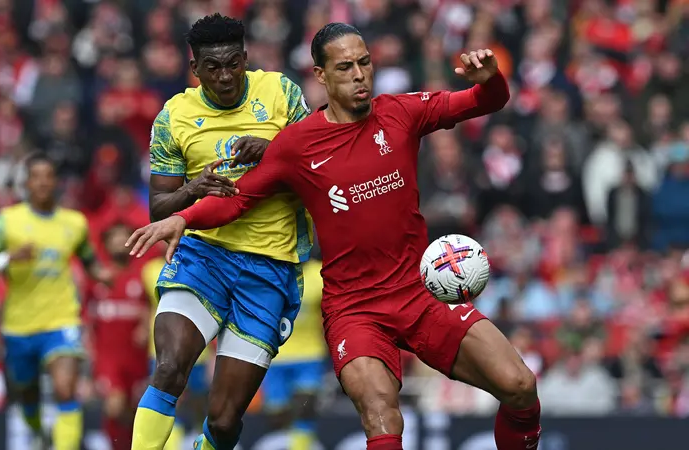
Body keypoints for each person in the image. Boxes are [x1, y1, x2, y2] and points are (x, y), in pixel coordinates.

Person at [126, 23, 541, 450]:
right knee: (381, 415)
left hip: (420, 293)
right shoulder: (296, 144)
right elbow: (238, 199)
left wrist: (489, 77)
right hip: (355, 309)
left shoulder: (402, 112)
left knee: (520, 385)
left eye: (365, 63)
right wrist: (184, 218)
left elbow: (487, 101)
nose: (359, 75)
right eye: (345, 67)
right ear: (321, 76)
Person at [131, 13, 314, 450]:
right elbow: (160, 205)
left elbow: (317, 165)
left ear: (246, 58)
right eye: (213, 67)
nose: (226, 75)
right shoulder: (174, 116)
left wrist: (273, 152)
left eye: (234, 63)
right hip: (202, 258)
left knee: (226, 418)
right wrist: (194, 188)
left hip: (269, 267)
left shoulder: (281, 93)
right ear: (195, 69)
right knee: (171, 367)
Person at [0, 152, 111, 450]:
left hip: (61, 319)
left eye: (49, 176)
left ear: (57, 182)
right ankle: (37, 433)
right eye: (37, 177)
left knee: (65, 389)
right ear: (26, 183)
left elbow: (89, 261)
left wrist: (105, 274)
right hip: (19, 325)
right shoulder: (6, 223)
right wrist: (8, 258)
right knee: (28, 395)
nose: (44, 182)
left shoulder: (75, 223)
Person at [86, 224, 151, 450]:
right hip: (108, 355)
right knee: (114, 404)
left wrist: (144, 327)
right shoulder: (99, 277)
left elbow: (147, 308)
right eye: (114, 239)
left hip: (134, 356)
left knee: (133, 410)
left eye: (124, 238)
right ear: (106, 244)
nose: (119, 243)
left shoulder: (140, 274)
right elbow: (86, 315)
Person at [141, 254, 215, 450]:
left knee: (199, 404)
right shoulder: (150, 270)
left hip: (200, 350)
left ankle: (203, 441)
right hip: (162, 350)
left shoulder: (207, 262)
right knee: (173, 398)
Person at [260, 257, 326, 450]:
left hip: (309, 355)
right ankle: (288, 442)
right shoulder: (269, 271)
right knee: (277, 415)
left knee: (305, 407)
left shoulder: (318, 273)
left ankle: (301, 445)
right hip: (275, 356)